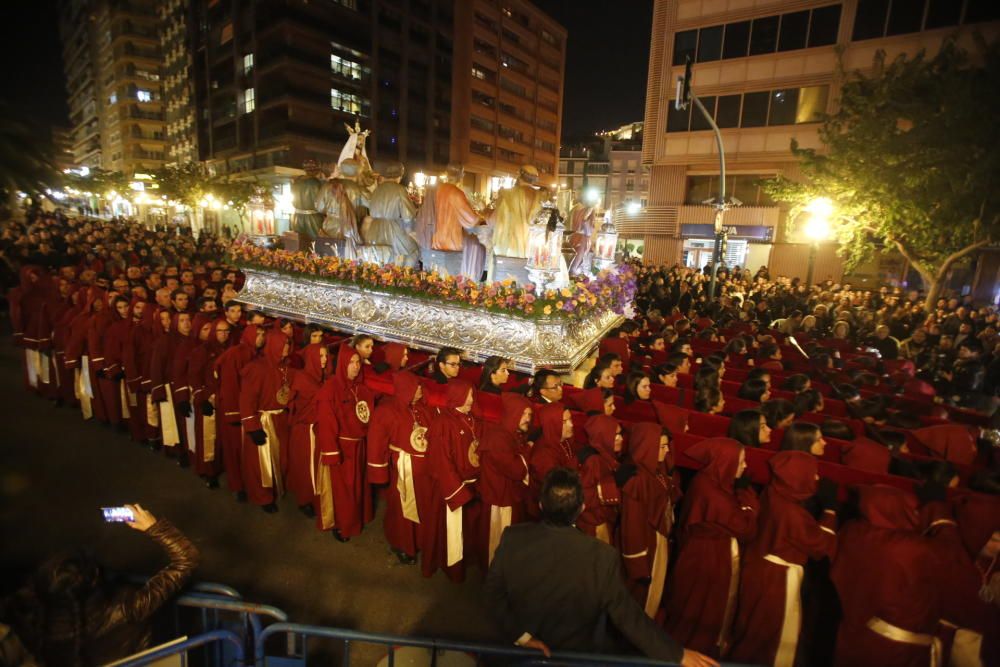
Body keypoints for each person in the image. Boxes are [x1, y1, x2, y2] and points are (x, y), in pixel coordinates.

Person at [484, 468, 717, 666]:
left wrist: (523, 637)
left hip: (516, 656)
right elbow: (628, 616)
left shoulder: (513, 538)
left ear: (541, 504)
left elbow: (493, 595)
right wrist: (677, 654)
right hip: (573, 658)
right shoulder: (601, 556)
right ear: (582, 508)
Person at [0, 504, 198, 666]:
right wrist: (153, 526)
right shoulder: (126, 607)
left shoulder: (30, 625)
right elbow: (186, 559)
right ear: (95, 580)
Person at [727, 451, 837, 667]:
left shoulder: (774, 493)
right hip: (777, 580)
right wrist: (830, 511)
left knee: (754, 628)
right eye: (813, 474)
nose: (816, 479)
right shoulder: (792, 513)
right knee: (773, 638)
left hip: (762, 568)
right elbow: (821, 544)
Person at [830, 485, 949, 667]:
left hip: (854, 629)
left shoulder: (852, 531)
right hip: (896, 646)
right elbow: (952, 557)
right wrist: (939, 511)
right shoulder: (909, 548)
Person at [665, 437, 759, 657]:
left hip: (705, 555)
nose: (745, 467)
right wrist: (748, 499)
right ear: (726, 462)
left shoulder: (711, 481)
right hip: (707, 560)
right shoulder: (713, 494)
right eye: (741, 461)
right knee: (700, 611)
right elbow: (746, 528)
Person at [367, 371, 433, 564]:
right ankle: (402, 544)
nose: (421, 390)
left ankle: (419, 541)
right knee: (402, 510)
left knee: (423, 507)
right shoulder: (386, 411)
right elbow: (376, 442)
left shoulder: (421, 409)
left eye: (420, 386)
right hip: (402, 469)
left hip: (424, 472)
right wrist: (379, 472)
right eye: (416, 386)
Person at [315, 343, 376, 541]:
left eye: (358, 362)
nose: (356, 366)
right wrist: (331, 452)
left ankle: (357, 518)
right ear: (342, 364)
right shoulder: (330, 389)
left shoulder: (361, 388)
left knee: (358, 487)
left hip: (359, 446)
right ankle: (343, 525)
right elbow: (326, 423)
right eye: (351, 363)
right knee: (344, 491)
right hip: (342, 448)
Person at [619, 423, 681, 618]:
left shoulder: (657, 471)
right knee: (637, 601)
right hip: (646, 546)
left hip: (658, 541)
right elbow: (631, 526)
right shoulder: (637, 480)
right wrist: (638, 565)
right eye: (661, 446)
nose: (667, 450)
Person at [425, 379, 482, 581]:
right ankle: (452, 568)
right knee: (452, 534)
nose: (471, 400)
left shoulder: (472, 419)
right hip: (454, 489)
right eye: (467, 395)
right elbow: (441, 462)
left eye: (472, 395)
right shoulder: (443, 424)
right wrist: (458, 492)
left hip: (472, 486)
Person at [238, 328, 292, 513]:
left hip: (281, 419)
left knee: (281, 458)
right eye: (284, 343)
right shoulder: (256, 368)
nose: (287, 347)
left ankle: (277, 487)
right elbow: (246, 400)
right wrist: (252, 427)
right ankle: (263, 497)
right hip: (263, 420)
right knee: (260, 463)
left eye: (288, 343)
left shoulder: (285, 367)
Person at [478, 392, 533, 567]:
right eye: (523, 414)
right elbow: (517, 470)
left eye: (529, 414)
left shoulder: (512, 433)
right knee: (498, 547)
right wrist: (528, 450)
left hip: (510, 498)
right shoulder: (498, 439)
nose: (527, 419)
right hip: (500, 502)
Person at [285, 342, 328, 518]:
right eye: (321, 356)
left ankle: (318, 498)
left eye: (326, 356)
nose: (325, 360)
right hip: (305, 431)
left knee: (318, 467)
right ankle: (305, 499)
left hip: (318, 429)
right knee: (305, 467)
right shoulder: (302, 379)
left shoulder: (323, 377)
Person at [361, 161, 420, 267]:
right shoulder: (400, 190)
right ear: (400, 176)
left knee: (378, 262)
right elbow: (408, 216)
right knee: (413, 251)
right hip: (393, 230)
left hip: (374, 230)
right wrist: (410, 231)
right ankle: (402, 278)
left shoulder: (377, 190)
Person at [576, 414, 623, 543]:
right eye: (615, 435)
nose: (621, 439)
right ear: (604, 437)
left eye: (620, 434)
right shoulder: (594, 460)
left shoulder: (606, 456)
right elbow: (585, 495)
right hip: (594, 524)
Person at [489, 165, 544, 259]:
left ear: (518, 176)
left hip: (508, 251)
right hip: (534, 253)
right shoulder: (542, 198)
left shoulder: (507, 194)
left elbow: (492, 221)